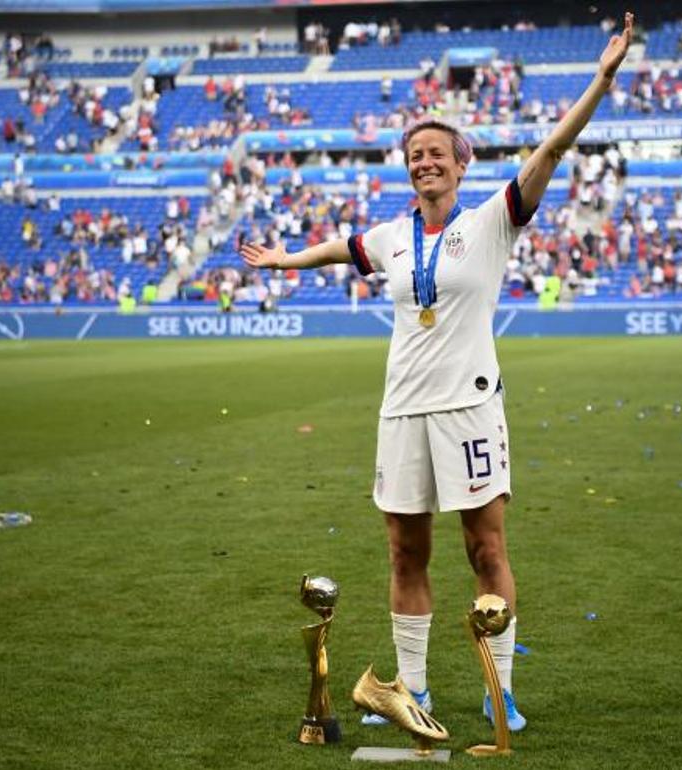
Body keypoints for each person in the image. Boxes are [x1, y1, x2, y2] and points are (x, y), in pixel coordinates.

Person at [241, 14, 635, 734]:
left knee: (485, 548)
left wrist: (601, 81)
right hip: (402, 412)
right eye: (415, 154)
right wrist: (286, 261)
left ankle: (498, 689)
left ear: (460, 164)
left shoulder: (492, 221)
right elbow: (344, 249)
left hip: (469, 409)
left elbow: (552, 146)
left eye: (436, 154)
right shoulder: (392, 237)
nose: (424, 162)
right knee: (403, 550)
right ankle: (411, 690)